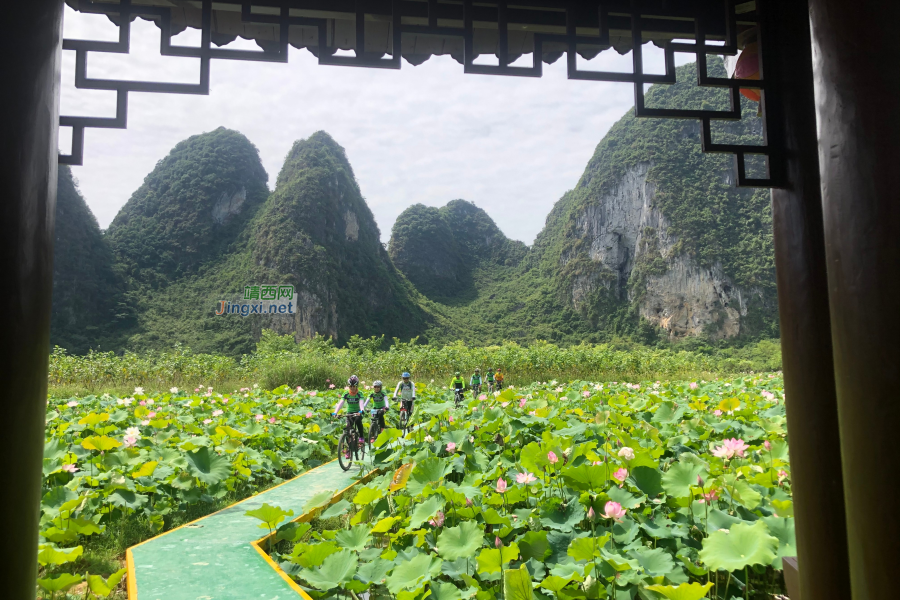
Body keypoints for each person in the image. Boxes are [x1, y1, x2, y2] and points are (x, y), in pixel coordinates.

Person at [333, 375, 366, 442]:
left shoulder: (360, 394)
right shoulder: (346, 393)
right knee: (347, 429)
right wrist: (335, 412)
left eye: (354, 386)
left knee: (357, 421)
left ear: (356, 386)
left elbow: (361, 403)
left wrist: (361, 410)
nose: (352, 388)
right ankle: (348, 449)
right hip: (350, 412)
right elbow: (341, 403)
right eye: (350, 386)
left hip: (358, 412)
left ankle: (361, 437)